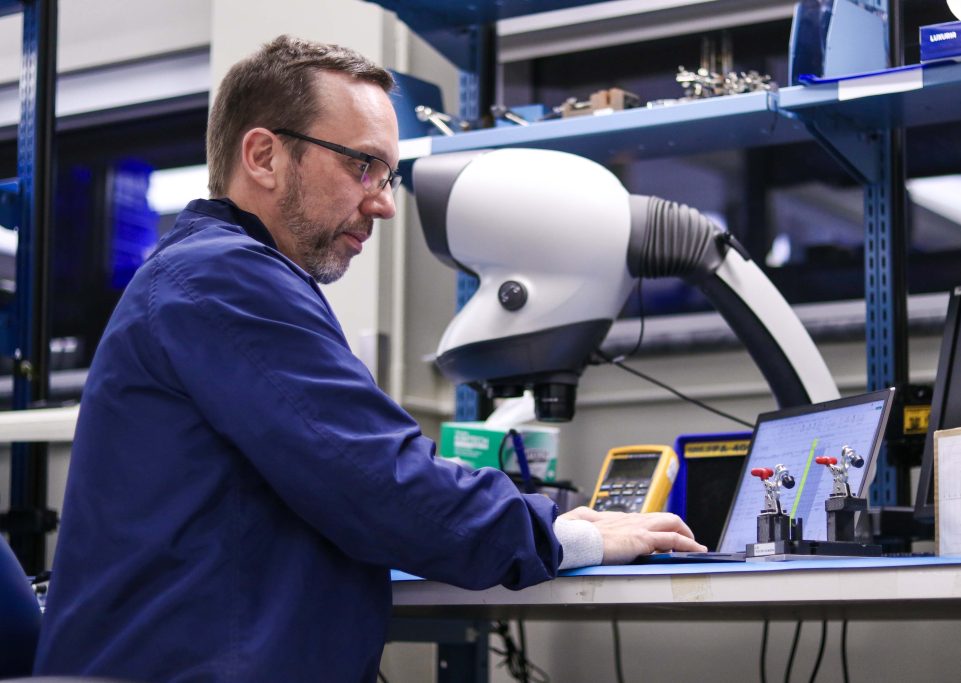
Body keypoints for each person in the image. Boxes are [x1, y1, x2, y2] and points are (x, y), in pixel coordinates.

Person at [33, 35, 705, 682]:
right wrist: (569, 534)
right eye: (363, 166)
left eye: (388, 175)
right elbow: (380, 482)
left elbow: (360, 468)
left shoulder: (213, 278)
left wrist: (536, 513)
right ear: (263, 156)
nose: (384, 203)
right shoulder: (222, 281)